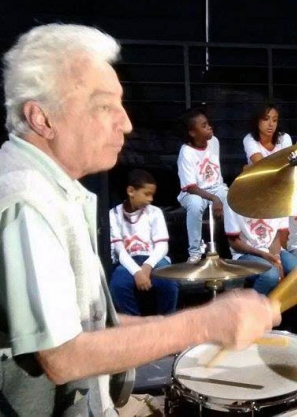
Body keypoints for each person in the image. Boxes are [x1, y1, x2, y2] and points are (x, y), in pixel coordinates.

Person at [0, 24, 280, 416]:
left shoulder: (47, 188)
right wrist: (203, 325)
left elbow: (90, 329)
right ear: (42, 118)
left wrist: (198, 331)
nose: (127, 123)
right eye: (104, 106)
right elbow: (64, 356)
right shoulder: (26, 201)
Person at [109, 169, 179, 316]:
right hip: (128, 260)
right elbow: (119, 250)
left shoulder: (155, 212)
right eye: (147, 194)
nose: (150, 199)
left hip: (153, 259)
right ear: (131, 191)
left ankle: (165, 322)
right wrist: (136, 272)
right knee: (118, 285)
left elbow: (162, 246)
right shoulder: (113, 214)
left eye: (152, 195)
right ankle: (133, 323)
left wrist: (147, 267)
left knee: (169, 284)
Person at [176, 107, 228, 263]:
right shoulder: (186, 152)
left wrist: (218, 197)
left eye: (208, 124)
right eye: (204, 126)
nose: (209, 127)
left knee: (233, 199)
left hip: (216, 188)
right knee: (195, 203)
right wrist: (214, 199)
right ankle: (195, 252)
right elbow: (191, 187)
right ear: (192, 132)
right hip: (193, 192)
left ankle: (235, 249)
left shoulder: (214, 142)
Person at [224, 204, 297, 295]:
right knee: (270, 276)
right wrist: (263, 254)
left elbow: (276, 237)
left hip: (273, 250)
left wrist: (276, 257)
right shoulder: (232, 203)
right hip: (245, 254)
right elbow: (234, 243)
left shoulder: (278, 201)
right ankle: (252, 307)